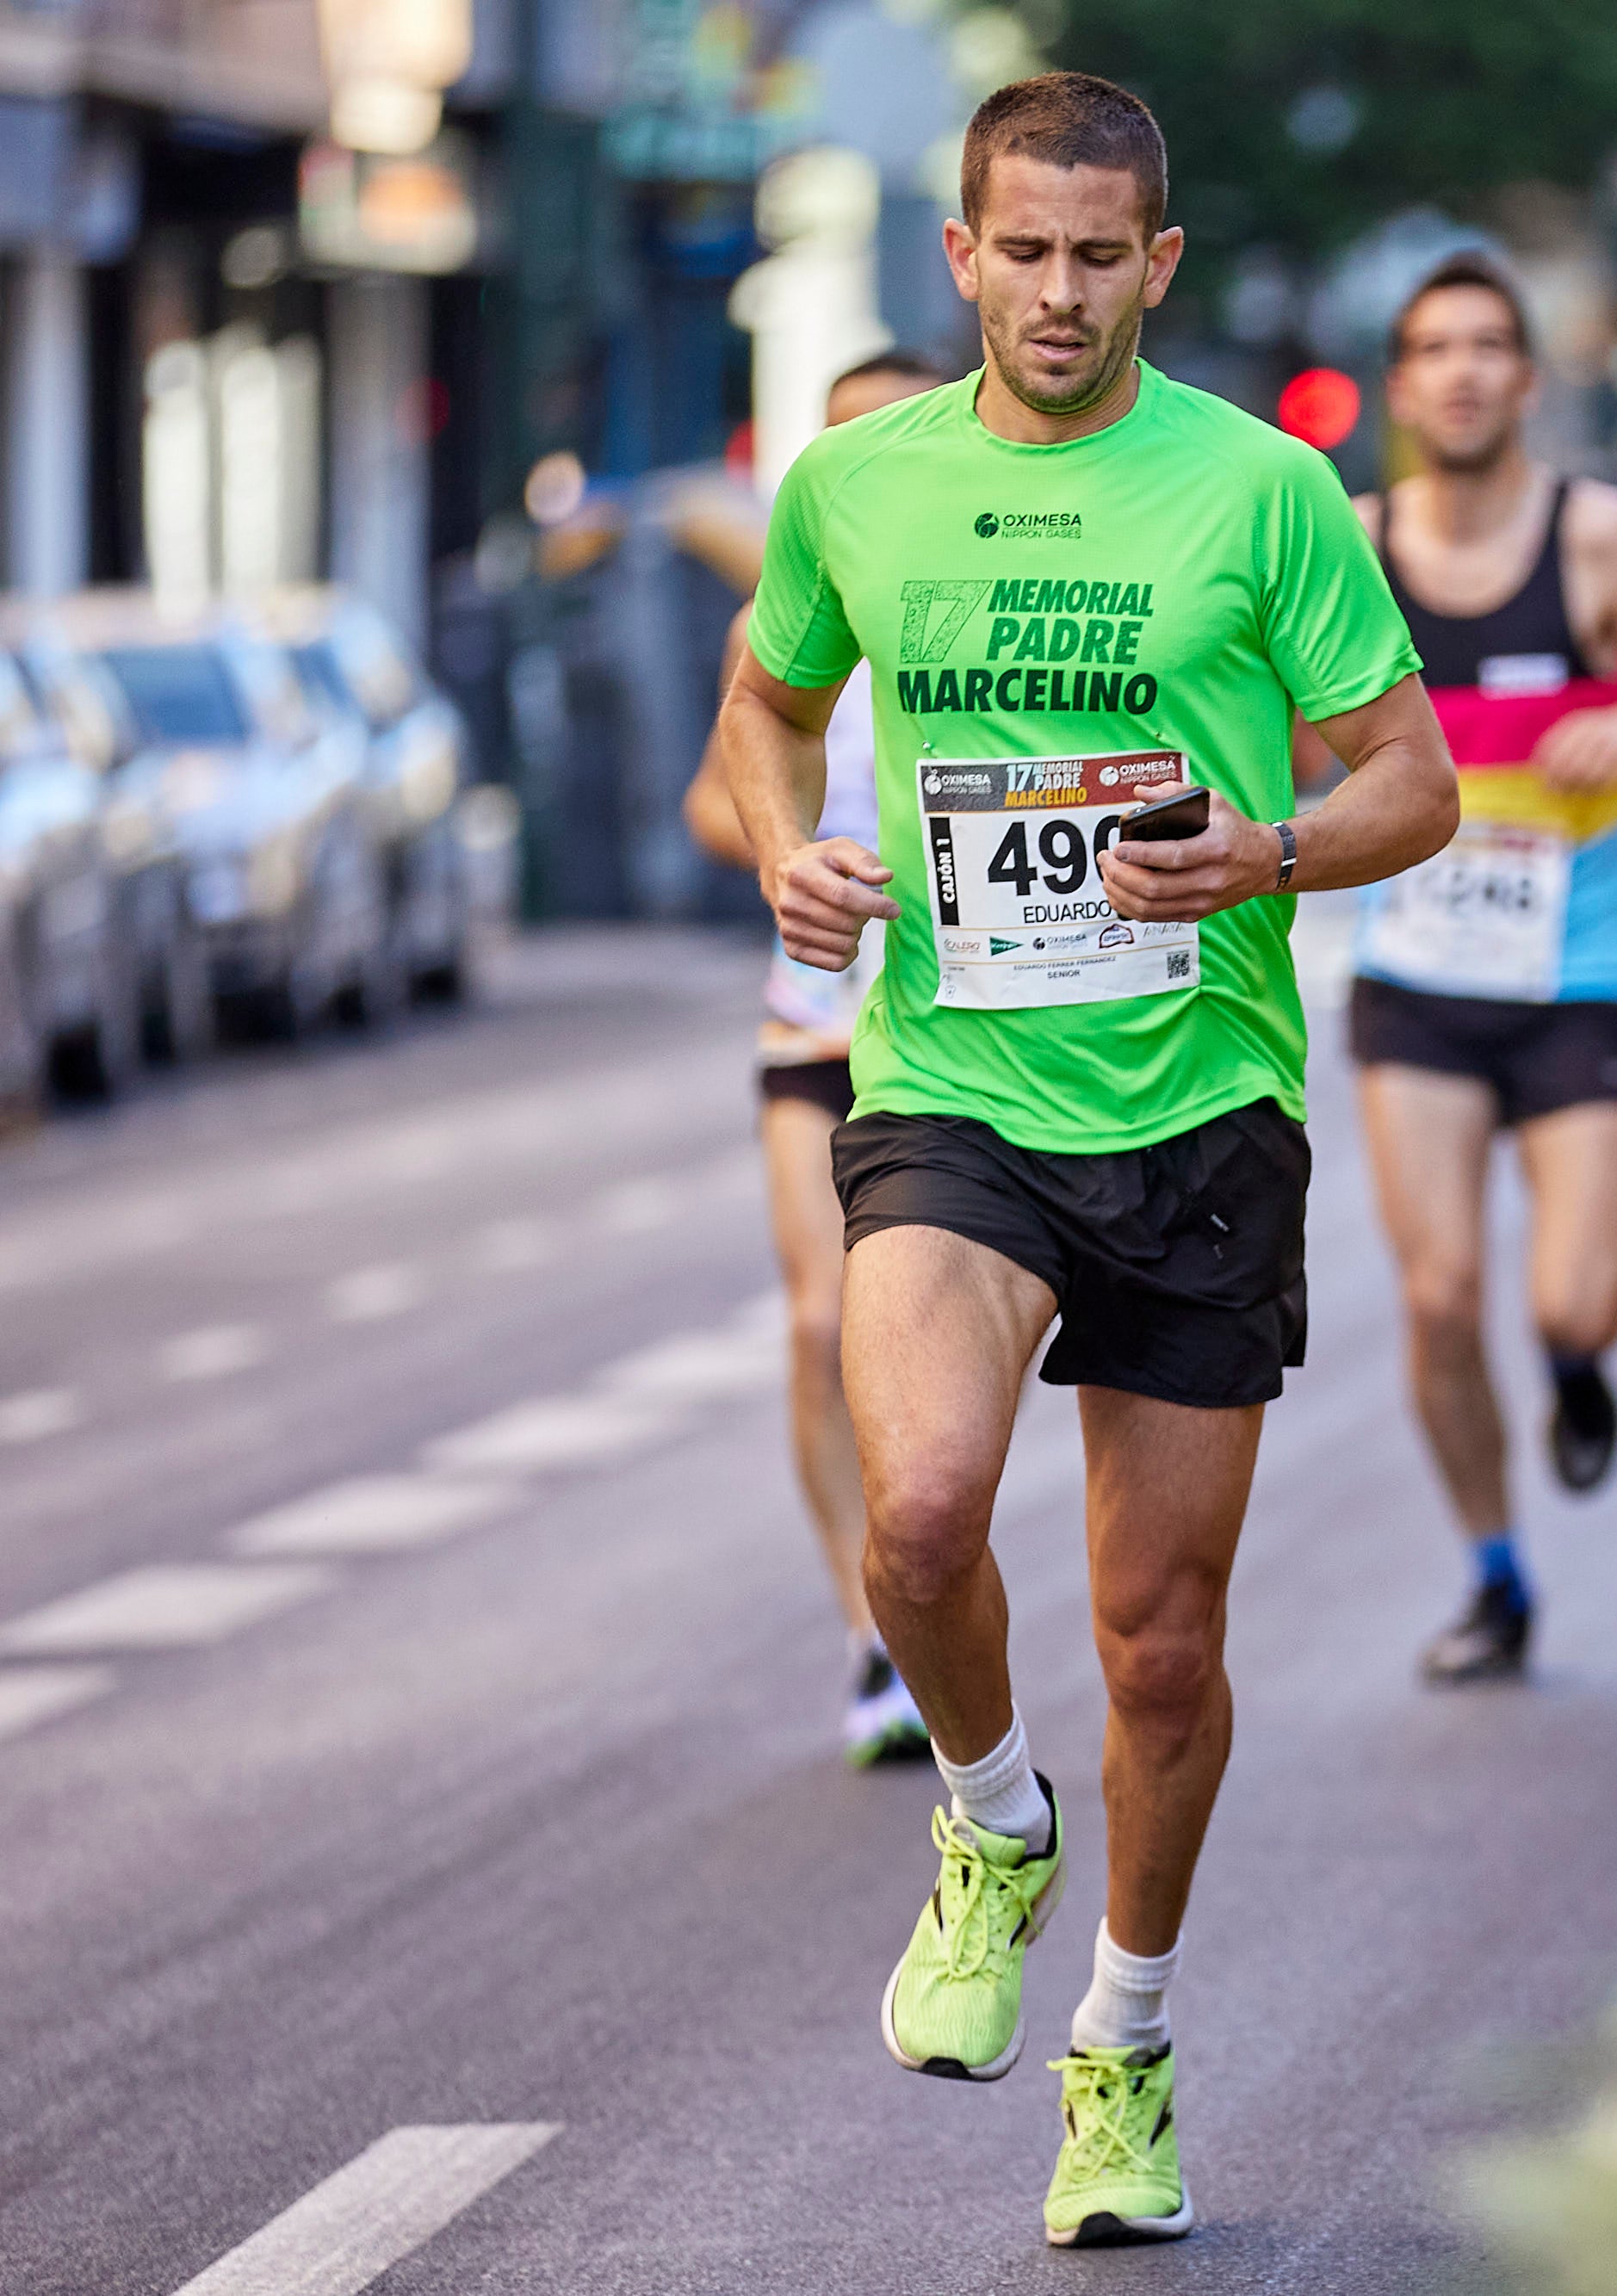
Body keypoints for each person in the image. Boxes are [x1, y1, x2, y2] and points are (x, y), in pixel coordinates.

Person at [709, 73, 1453, 2250]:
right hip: (952, 1085)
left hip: (1201, 1104)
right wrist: (785, 852)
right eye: (1020, 251)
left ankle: (1122, 2042)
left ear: (1159, 264)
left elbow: (1413, 779)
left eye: (1097, 255)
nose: (1056, 292)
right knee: (921, 1512)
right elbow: (762, 712)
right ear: (960, 255)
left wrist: (1271, 851)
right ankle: (986, 1815)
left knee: (1157, 1642)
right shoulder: (856, 484)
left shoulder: (1263, 489)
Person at [1342, 251, 1617, 1686]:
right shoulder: (1353, 541)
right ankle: (1495, 1571)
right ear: (1402, 385)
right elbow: (1278, 713)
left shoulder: (1597, 534)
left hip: (1579, 975)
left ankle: (1575, 1367)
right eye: (1434, 349)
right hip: (1419, 974)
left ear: (1525, 377)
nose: (1461, 372)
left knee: (1575, 1300)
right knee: (1439, 1294)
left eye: (1486, 346)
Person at [685, 346, 953, 1767]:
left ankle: (935, 1593)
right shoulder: (776, 620)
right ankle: (871, 1635)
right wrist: (795, 855)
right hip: (815, 1019)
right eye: (841, 440)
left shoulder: (988, 603)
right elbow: (711, 800)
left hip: (964, 1032)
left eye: (897, 433)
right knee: (813, 1325)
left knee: (931, 1354)